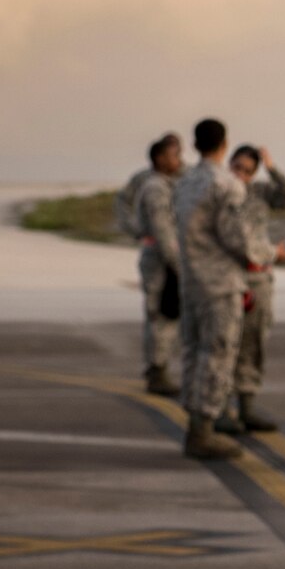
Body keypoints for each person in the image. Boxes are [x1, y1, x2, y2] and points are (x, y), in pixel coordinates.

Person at [173, 119, 285, 460]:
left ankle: (195, 421)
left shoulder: (184, 183)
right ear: (224, 145)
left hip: (192, 283)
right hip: (221, 284)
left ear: (195, 145)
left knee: (194, 352)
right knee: (218, 354)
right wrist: (273, 253)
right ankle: (204, 430)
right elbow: (239, 240)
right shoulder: (226, 185)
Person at [225, 144, 285, 432]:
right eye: (237, 168)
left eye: (248, 170)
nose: (241, 175)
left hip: (259, 278)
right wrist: (274, 252)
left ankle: (247, 405)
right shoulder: (221, 194)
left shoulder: (259, 193)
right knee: (226, 344)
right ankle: (221, 406)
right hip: (232, 275)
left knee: (254, 343)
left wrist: (272, 168)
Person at [122, 134, 184, 394]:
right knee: (160, 314)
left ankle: (158, 367)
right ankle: (156, 371)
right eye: (174, 155)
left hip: (164, 257)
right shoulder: (156, 188)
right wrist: (180, 267)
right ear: (159, 158)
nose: (179, 160)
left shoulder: (167, 184)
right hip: (161, 260)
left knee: (166, 315)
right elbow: (163, 231)